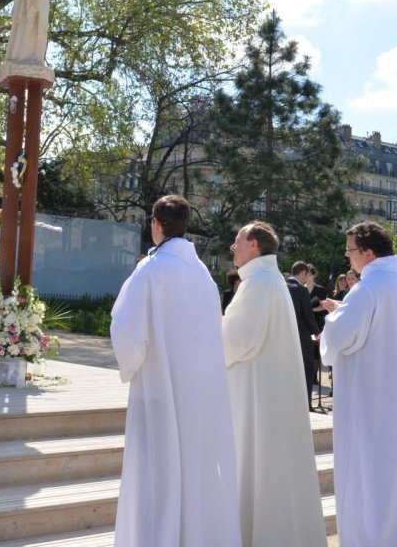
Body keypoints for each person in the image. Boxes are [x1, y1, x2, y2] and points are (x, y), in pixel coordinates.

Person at [110, 195, 241, 547]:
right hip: (198, 394)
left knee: (156, 473)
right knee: (192, 472)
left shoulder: (149, 270)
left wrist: (132, 365)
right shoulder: (204, 276)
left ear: (156, 224)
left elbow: (125, 330)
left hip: (159, 390)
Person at [319, 222, 397, 547]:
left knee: (366, 482)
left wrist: (330, 322)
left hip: (369, 403)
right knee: (395, 482)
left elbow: (340, 337)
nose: (347, 256)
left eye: (350, 250)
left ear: (368, 253)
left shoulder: (368, 288)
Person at [223, 223, 327, 547]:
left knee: (260, 469)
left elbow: (236, 340)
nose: (232, 247)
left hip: (259, 397)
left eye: (237, 241)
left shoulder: (257, 284)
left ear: (253, 245)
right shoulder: (271, 280)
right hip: (267, 393)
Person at [288, 260, 322, 406]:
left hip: (284, 336)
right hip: (302, 337)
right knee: (306, 370)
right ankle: (305, 404)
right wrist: (317, 333)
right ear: (303, 273)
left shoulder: (281, 287)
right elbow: (308, 315)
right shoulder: (301, 290)